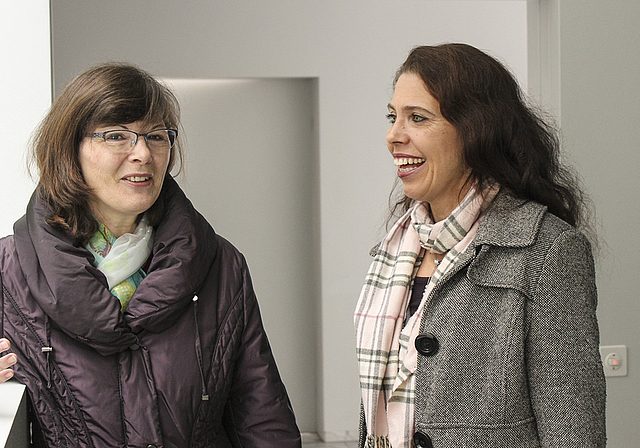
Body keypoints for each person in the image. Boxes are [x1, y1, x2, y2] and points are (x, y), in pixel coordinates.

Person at [0, 63, 301, 448]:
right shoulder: (11, 273)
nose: (142, 153)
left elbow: (261, 417)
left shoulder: (220, 265)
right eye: (117, 135)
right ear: (69, 149)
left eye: (157, 136)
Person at [354, 43, 606, 448]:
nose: (393, 136)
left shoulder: (548, 250)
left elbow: (573, 432)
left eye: (417, 118)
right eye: (392, 116)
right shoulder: (396, 248)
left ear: (476, 130)